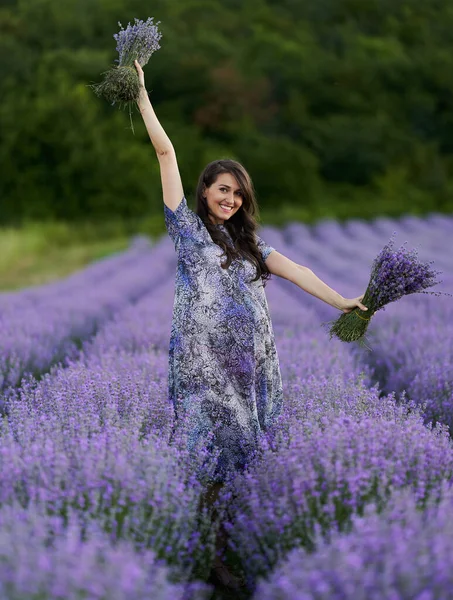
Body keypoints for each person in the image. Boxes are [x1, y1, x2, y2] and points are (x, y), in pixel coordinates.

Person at [134, 60, 368, 590]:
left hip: (247, 370)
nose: (230, 198)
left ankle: (225, 551)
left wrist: (341, 301)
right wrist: (143, 92)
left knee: (241, 460)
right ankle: (205, 557)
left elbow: (299, 270)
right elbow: (165, 153)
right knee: (204, 460)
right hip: (203, 370)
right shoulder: (188, 234)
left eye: (237, 193)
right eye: (221, 188)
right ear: (204, 191)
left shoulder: (250, 246)